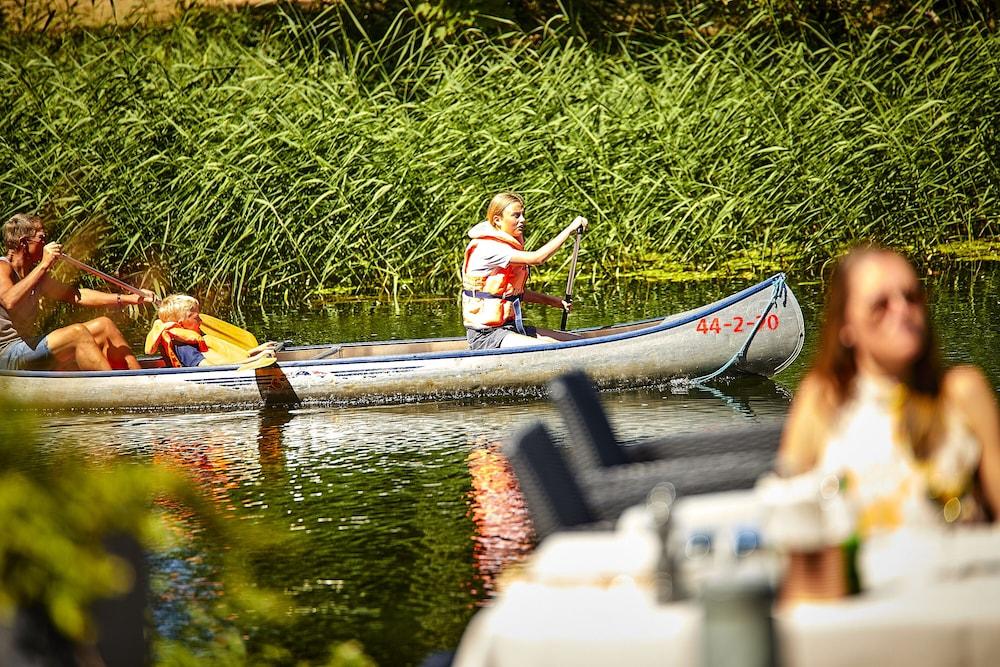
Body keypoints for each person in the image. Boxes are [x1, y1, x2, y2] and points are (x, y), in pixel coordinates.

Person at [776, 246, 1000, 597]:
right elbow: (791, 535)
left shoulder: (962, 393)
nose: (903, 311)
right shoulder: (821, 399)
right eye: (881, 305)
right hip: (862, 610)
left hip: (960, 601)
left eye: (911, 297)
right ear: (846, 327)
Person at [0, 213, 154, 371]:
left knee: (104, 325)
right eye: (42, 237)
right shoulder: (3, 268)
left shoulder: (36, 276)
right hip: (6, 355)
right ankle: (114, 391)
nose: (47, 243)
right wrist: (45, 264)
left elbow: (76, 295)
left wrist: (129, 298)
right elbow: (9, 301)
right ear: (24, 242)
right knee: (77, 333)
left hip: (27, 347)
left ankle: (139, 382)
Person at [462, 192, 588, 350]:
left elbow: (513, 293)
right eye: (516, 215)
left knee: (578, 342)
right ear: (497, 220)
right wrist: (569, 229)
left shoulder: (506, 245)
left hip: (510, 329)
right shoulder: (489, 248)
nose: (522, 220)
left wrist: (555, 302)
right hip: (486, 335)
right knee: (557, 350)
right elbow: (537, 258)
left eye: (523, 214)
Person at [146, 293, 276, 367]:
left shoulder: (193, 336)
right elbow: (209, 368)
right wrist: (256, 359)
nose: (201, 321)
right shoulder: (183, 346)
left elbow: (220, 356)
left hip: (242, 362)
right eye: (197, 318)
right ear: (181, 324)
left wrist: (256, 351)